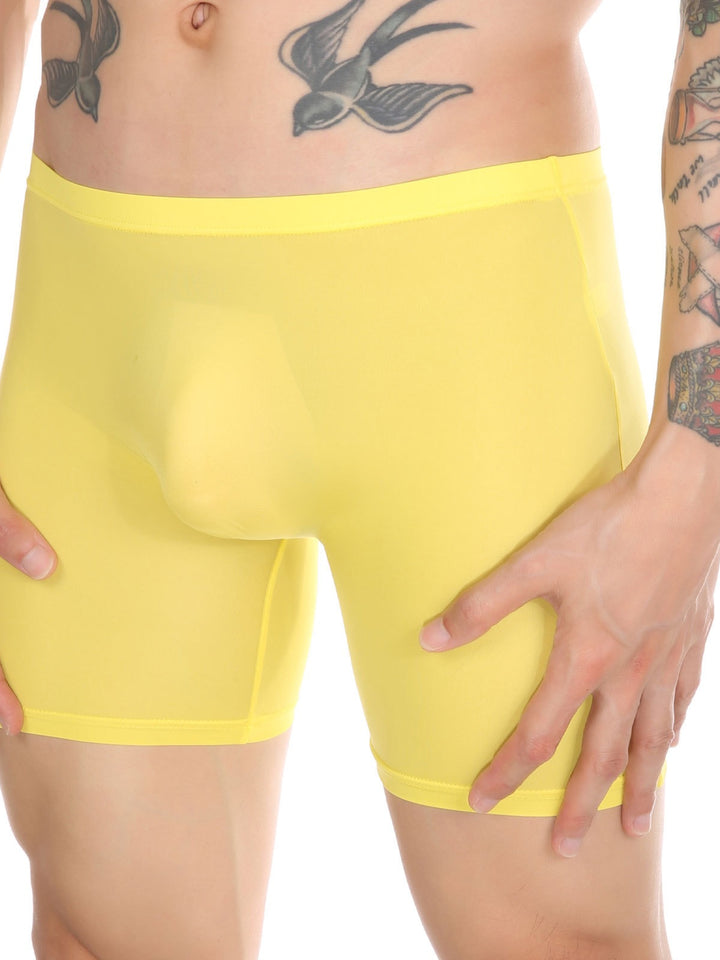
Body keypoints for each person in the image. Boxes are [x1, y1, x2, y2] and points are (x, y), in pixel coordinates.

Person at [0, 1, 714, 957]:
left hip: (465, 328)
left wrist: (695, 470)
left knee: (559, 941)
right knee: (97, 935)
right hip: (86, 328)